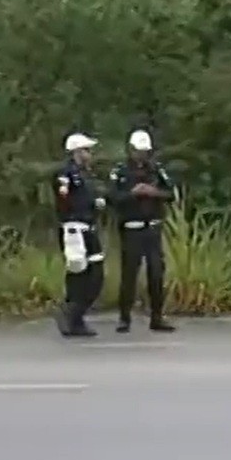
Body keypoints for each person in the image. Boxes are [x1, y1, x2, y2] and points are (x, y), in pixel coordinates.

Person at [108, 129, 176, 333]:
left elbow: (171, 193)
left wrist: (154, 192)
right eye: (138, 151)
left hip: (153, 228)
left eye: (145, 152)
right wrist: (133, 194)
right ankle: (124, 318)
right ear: (130, 150)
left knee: (156, 274)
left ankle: (157, 317)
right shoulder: (120, 172)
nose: (142, 155)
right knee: (129, 275)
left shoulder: (156, 170)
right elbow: (112, 198)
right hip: (132, 229)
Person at [52, 132, 107, 337]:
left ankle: (73, 313)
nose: (89, 154)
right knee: (79, 274)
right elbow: (63, 199)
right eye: (86, 150)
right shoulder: (66, 174)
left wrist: (95, 203)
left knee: (95, 276)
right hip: (74, 228)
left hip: (89, 227)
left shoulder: (87, 175)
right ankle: (72, 317)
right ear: (76, 151)